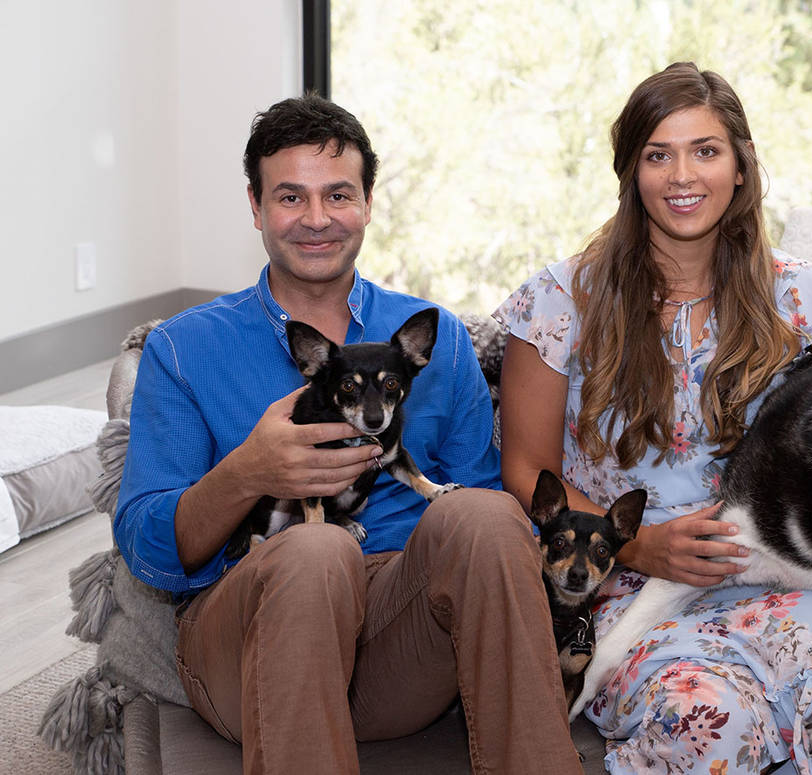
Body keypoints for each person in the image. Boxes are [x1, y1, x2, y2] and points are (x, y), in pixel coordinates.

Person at [495, 63, 812, 774]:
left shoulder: (801, 294)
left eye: (706, 150)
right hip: (635, 590)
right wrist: (642, 545)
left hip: (798, 573)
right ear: (631, 173)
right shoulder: (557, 301)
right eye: (658, 154)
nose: (683, 174)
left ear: (740, 167)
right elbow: (525, 469)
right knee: (712, 719)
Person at [113, 94, 584, 775]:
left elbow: (485, 533)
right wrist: (248, 472)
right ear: (255, 206)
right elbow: (152, 555)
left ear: (367, 202)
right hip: (246, 634)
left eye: (337, 193)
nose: (315, 219)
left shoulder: (433, 336)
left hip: (399, 645)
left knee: (489, 516)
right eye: (289, 197)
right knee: (314, 551)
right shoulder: (183, 348)